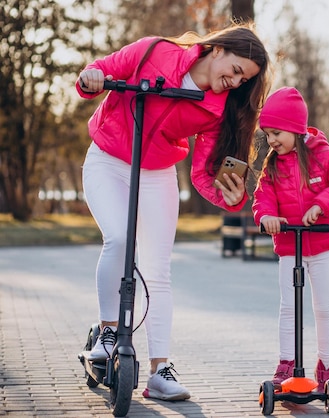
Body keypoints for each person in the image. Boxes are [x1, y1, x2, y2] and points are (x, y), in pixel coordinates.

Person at [76, 23, 270, 401]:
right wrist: (92, 78)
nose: (234, 81)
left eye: (243, 79)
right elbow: (96, 73)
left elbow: (201, 174)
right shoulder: (153, 51)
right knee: (118, 238)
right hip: (107, 160)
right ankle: (109, 330)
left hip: (157, 173)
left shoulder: (217, 108)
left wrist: (228, 198)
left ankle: (159, 371)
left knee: (158, 270)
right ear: (218, 49)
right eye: (235, 69)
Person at [252, 87, 329, 390]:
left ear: (295, 129)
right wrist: (266, 216)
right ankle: (286, 363)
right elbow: (263, 198)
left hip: (323, 245)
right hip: (289, 247)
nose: (271, 140)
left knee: (324, 307)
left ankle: (326, 365)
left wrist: (321, 205)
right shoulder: (272, 164)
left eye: (276, 133)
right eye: (267, 134)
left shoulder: (322, 154)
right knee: (288, 307)